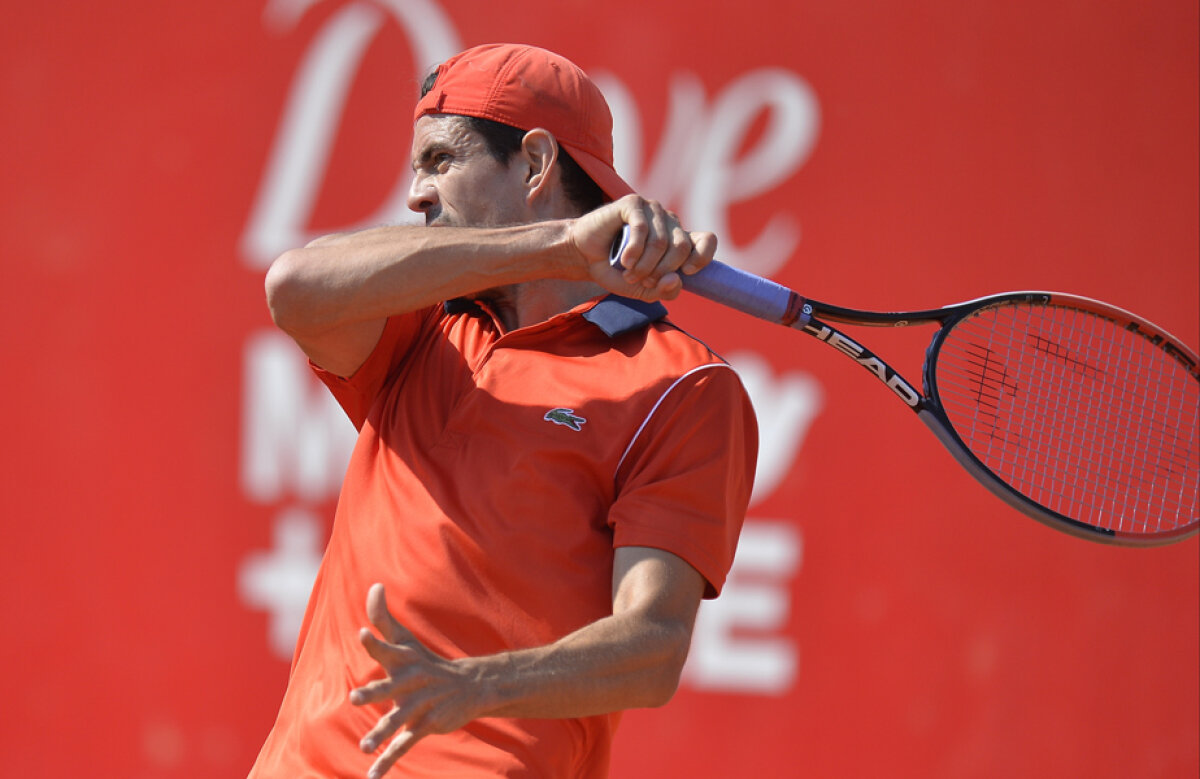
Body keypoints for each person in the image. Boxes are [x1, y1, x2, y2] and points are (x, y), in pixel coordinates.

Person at [248, 43, 758, 778]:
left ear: (535, 163)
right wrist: (559, 247)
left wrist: (474, 685)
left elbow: (651, 647)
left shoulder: (685, 386)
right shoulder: (417, 322)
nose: (416, 195)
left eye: (440, 161)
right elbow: (293, 287)